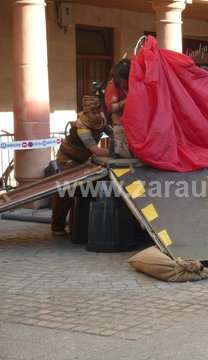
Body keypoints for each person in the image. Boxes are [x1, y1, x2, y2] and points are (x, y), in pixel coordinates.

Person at [51, 95, 111, 236]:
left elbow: (111, 133)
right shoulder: (81, 128)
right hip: (67, 159)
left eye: (97, 111)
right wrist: (116, 152)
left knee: (83, 189)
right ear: (86, 112)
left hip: (83, 160)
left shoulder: (101, 118)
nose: (96, 115)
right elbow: (95, 150)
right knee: (66, 191)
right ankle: (57, 226)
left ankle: (77, 225)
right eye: (93, 112)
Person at [104, 58, 132, 158]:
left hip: (135, 127)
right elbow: (112, 108)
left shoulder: (134, 82)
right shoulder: (113, 85)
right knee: (125, 160)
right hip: (121, 127)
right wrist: (127, 101)